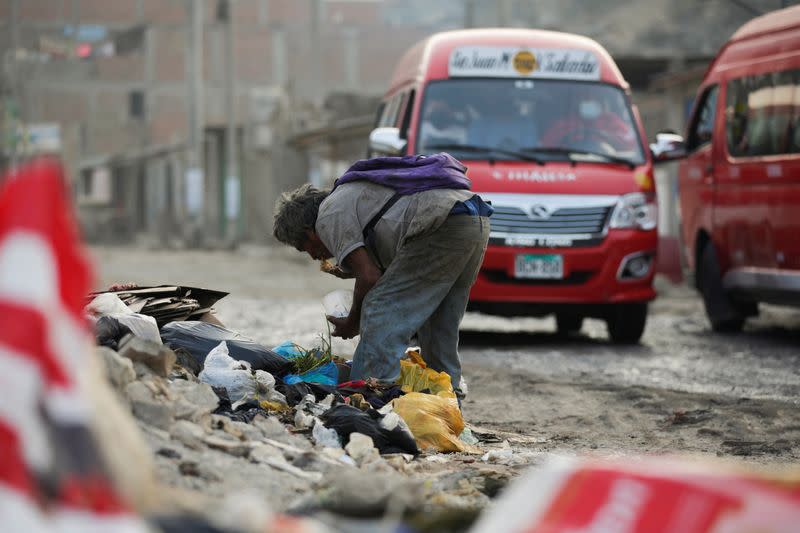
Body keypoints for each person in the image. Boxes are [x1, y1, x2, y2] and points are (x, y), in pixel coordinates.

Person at [272, 153, 492, 399]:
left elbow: (369, 277)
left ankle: (371, 400)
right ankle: (446, 404)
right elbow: (385, 267)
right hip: (472, 220)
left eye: (306, 248)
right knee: (439, 324)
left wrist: (352, 321)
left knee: (379, 309)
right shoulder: (349, 198)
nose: (313, 256)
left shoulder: (328, 215)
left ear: (308, 230)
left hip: (440, 222)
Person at [540, 86, 638, 153]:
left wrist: (609, 138)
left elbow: (630, 143)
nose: (588, 101)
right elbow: (545, 148)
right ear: (576, 102)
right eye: (583, 98)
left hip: (605, 166)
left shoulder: (609, 120)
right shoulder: (563, 124)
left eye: (593, 98)